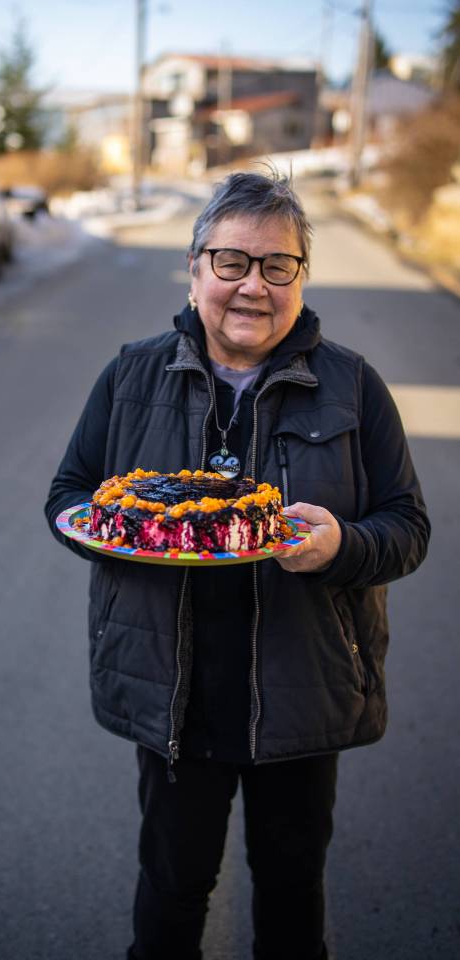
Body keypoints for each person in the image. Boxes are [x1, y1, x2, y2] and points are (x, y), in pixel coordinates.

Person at [44, 170, 430, 960]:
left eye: (276, 265)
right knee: (171, 896)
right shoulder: (130, 377)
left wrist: (340, 548)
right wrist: (123, 531)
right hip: (173, 697)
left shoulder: (351, 388)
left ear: (298, 277)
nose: (252, 285)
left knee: (290, 900)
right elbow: (68, 494)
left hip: (300, 695)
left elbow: (406, 526)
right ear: (193, 271)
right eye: (230, 262)